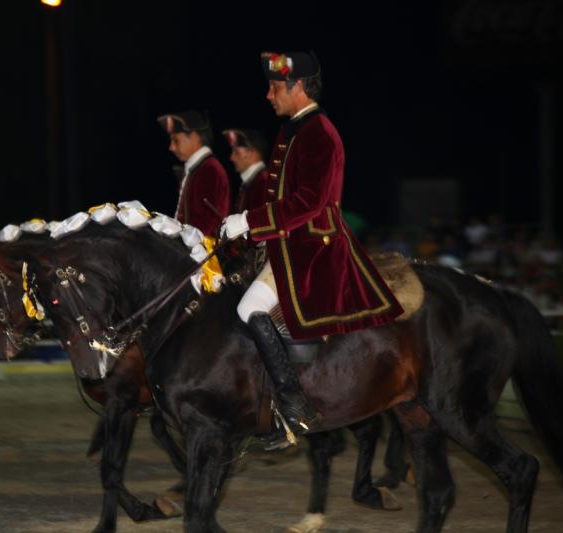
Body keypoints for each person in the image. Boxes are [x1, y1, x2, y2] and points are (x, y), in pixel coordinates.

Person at [221, 51, 404, 441]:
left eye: (274, 88)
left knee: (248, 307)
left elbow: (309, 203)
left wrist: (250, 221)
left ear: (298, 86)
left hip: (312, 250)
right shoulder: (295, 129)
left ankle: (294, 406)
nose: (268, 96)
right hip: (286, 245)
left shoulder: (320, 132)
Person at [157, 110, 231, 236]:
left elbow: (206, 227)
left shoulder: (209, 170)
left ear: (194, 137)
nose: (171, 147)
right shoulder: (199, 168)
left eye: (176, 140)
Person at [222, 128, 269, 213]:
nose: (231, 157)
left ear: (251, 152)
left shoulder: (263, 181)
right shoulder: (253, 180)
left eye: (236, 152)